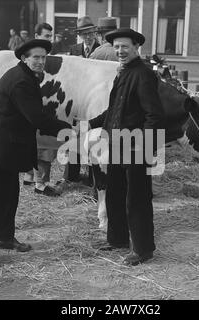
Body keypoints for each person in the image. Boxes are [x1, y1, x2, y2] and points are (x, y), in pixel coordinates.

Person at [0, 39, 72, 268]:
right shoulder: (21, 82)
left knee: (10, 195)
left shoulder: (24, 77)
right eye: (35, 57)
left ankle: (4, 237)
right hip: (3, 149)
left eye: (43, 57)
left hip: (10, 148)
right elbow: (36, 118)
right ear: (24, 58)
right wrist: (67, 128)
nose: (40, 61)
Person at [86, 28, 165, 266]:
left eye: (124, 47)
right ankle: (117, 238)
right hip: (116, 144)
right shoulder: (123, 73)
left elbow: (154, 115)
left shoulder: (144, 74)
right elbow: (115, 109)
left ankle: (143, 249)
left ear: (136, 48)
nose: (120, 51)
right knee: (115, 193)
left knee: (137, 198)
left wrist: (145, 147)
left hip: (136, 147)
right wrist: (91, 123)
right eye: (117, 47)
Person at [23, 22, 62, 197]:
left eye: (50, 36)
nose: (49, 39)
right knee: (44, 145)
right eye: (46, 36)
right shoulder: (32, 57)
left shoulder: (46, 56)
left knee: (39, 143)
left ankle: (31, 175)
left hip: (45, 105)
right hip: (39, 108)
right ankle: (40, 182)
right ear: (37, 36)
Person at [64, 16, 100, 184]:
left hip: (94, 98)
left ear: (95, 32)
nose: (88, 37)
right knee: (75, 134)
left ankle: (93, 177)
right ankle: (71, 176)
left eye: (90, 33)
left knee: (94, 136)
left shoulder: (101, 50)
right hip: (77, 98)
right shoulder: (74, 49)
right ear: (79, 35)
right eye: (84, 34)